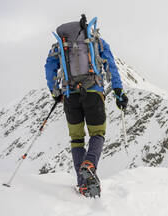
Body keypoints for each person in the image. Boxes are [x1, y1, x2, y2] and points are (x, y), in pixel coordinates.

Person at [44, 15, 128, 197]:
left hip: (70, 97)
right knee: (97, 133)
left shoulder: (60, 45)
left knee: (77, 140)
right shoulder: (97, 41)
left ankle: (83, 184)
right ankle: (89, 164)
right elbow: (111, 66)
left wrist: (55, 92)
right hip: (93, 94)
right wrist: (119, 92)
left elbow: (49, 68)